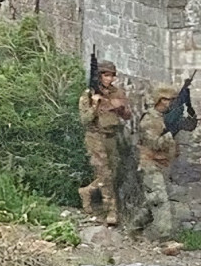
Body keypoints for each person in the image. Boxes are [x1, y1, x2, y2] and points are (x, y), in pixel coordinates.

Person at [78, 60, 132, 224]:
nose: (109, 79)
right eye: (105, 75)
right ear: (99, 76)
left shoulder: (117, 92)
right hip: (95, 136)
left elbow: (127, 115)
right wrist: (95, 104)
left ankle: (87, 191)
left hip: (111, 136)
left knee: (113, 172)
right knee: (105, 175)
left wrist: (119, 108)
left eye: (111, 75)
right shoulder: (88, 94)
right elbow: (85, 119)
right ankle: (111, 211)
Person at [134, 86, 181, 238]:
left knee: (152, 200)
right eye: (169, 100)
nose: (172, 103)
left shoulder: (164, 118)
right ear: (160, 100)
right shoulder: (149, 119)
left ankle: (134, 228)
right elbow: (154, 144)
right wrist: (170, 134)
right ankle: (165, 238)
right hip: (149, 165)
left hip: (161, 165)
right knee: (161, 200)